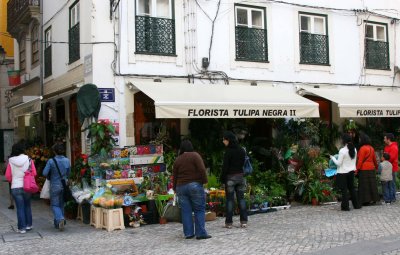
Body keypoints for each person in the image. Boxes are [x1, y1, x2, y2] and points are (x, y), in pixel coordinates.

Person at [172, 139, 210, 240]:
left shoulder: (178, 159)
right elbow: (202, 169)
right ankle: (201, 233)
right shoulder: (195, 155)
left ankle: (188, 233)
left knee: (186, 211)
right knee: (199, 209)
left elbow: (174, 175)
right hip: (194, 185)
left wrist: (174, 188)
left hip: (180, 187)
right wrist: (204, 181)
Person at [5, 141, 36, 233]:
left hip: (15, 186)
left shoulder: (11, 161)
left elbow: (8, 176)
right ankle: (28, 225)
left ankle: (21, 228)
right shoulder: (29, 159)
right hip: (27, 186)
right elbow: (34, 173)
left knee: (20, 207)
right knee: (27, 206)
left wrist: (14, 180)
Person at [221, 131, 248, 228]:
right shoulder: (242, 150)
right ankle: (244, 221)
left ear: (228, 140)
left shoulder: (228, 151)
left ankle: (229, 222)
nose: (223, 141)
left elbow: (225, 167)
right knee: (241, 199)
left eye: (224, 139)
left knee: (229, 200)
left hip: (230, 178)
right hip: (240, 177)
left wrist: (222, 179)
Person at [42, 143, 71, 231]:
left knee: (54, 204)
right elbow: (69, 173)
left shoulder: (51, 161)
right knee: (61, 204)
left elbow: (44, 173)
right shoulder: (67, 160)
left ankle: (60, 218)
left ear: (54, 151)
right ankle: (58, 223)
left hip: (55, 185)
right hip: (64, 184)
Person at [330, 133, 360, 211]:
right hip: (351, 172)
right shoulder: (354, 149)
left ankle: (345, 207)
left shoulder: (342, 151)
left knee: (344, 190)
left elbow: (338, 163)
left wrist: (333, 158)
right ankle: (356, 205)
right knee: (352, 188)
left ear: (343, 141)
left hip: (342, 173)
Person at [356, 133, 379, 206]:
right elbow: (374, 159)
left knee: (364, 185)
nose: (359, 140)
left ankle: (365, 201)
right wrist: (376, 167)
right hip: (371, 168)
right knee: (372, 184)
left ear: (362, 140)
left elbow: (360, 161)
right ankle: (374, 199)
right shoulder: (371, 148)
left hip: (364, 169)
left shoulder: (362, 148)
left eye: (360, 139)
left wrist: (356, 170)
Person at [383, 133, 398, 203]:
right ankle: (388, 198)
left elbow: (391, 158)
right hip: (386, 168)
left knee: (391, 183)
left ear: (388, 139)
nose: (384, 140)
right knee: (387, 183)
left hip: (392, 168)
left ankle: (392, 198)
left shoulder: (394, 147)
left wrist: (384, 159)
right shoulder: (386, 147)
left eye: (385, 138)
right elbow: (384, 156)